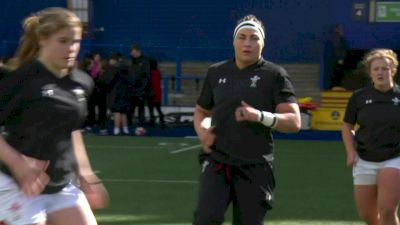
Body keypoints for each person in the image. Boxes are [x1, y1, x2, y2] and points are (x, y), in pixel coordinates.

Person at [0, 7, 108, 225]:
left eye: (75, 41)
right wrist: (19, 166)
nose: (71, 48)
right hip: (15, 184)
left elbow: (71, 128)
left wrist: (86, 173)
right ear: (42, 39)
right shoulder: (19, 81)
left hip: (61, 183)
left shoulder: (82, 82)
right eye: (63, 41)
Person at [193, 14, 301, 225]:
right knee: (207, 218)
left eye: (254, 38)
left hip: (255, 165)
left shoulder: (274, 75)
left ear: (263, 43)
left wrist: (259, 116)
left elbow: (294, 122)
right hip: (218, 160)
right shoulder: (216, 72)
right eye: (242, 37)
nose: (247, 43)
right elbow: (201, 111)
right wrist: (203, 131)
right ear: (234, 41)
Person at [342, 49, 400, 225]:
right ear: (370, 72)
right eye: (376, 69)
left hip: (394, 157)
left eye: (385, 68)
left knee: (387, 209)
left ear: (393, 70)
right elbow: (347, 126)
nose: (380, 72)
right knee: (367, 215)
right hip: (364, 159)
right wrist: (351, 152)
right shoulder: (359, 96)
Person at [323, 24, 350, 89]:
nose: (338, 32)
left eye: (339, 30)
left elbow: (345, 51)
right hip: (332, 65)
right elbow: (328, 54)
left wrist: (342, 59)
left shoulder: (343, 42)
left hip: (340, 66)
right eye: (336, 30)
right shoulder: (329, 42)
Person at [148, 59, 166, 129]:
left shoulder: (150, 73)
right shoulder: (158, 72)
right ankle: (162, 122)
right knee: (158, 108)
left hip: (151, 92)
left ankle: (152, 122)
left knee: (151, 109)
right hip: (158, 93)